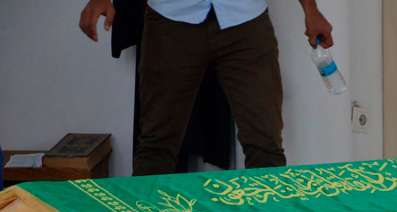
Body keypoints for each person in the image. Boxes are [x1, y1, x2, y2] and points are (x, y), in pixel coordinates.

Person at [79, 0, 334, 175]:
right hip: (171, 20)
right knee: (156, 145)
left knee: (265, 143)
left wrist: (311, 10)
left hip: (246, 21)